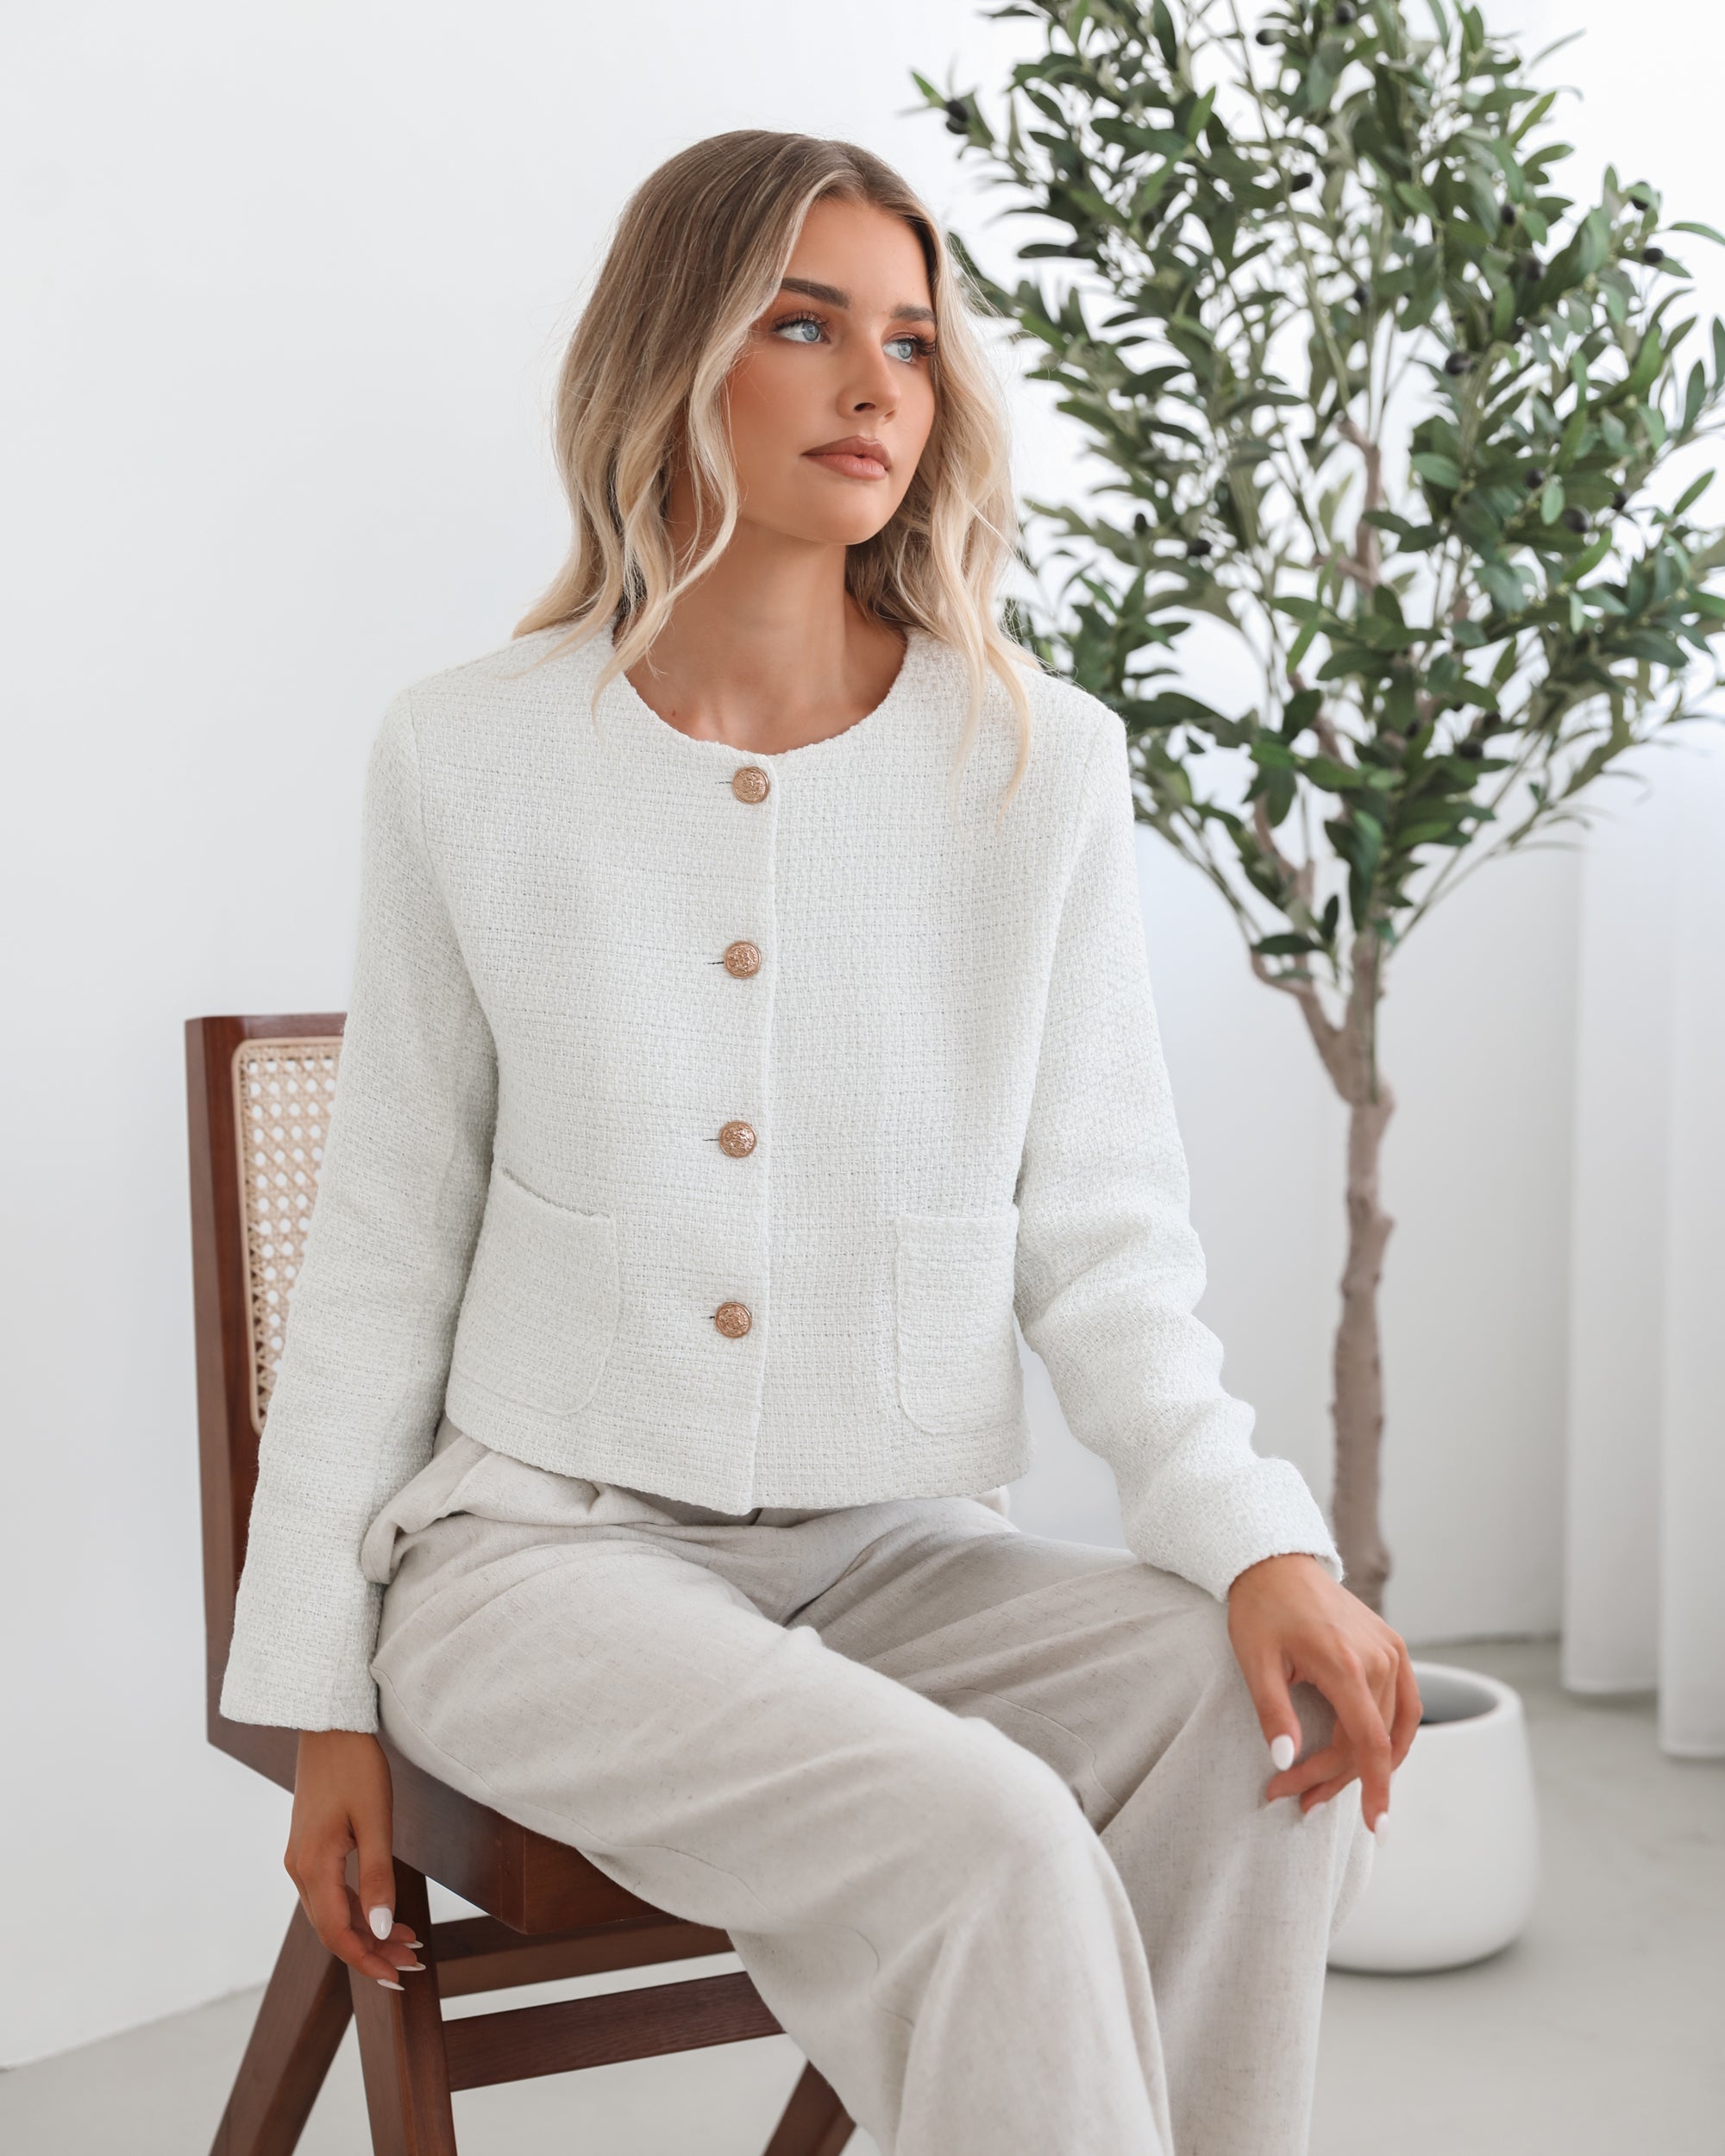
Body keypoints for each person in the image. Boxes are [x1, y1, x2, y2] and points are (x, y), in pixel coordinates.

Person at [219, 128, 1420, 2156]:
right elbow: (388, 1238)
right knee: (989, 1838)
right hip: (537, 1562)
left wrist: (1262, 1538)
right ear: (675, 358)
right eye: (804, 325)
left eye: (913, 341)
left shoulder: (1030, 764)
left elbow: (1104, 1242)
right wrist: (316, 1684)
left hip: (893, 1551)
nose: (877, 386)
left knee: (1255, 1719)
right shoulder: (469, 754)